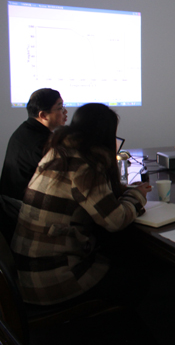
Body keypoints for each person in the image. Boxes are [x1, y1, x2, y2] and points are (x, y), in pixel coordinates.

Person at [11, 103, 151, 306]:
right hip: (54, 281)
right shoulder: (86, 165)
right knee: (139, 279)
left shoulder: (58, 152)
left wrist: (122, 190)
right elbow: (116, 220)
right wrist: (137, 195)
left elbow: (83, 194)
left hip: (27, 273)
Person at [0, 88, 68, 202]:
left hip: (11, 201)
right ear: (43, 115)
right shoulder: (41, 142)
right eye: (60, 108)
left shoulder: (26, 129)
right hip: (21, 206)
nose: (65, 112)